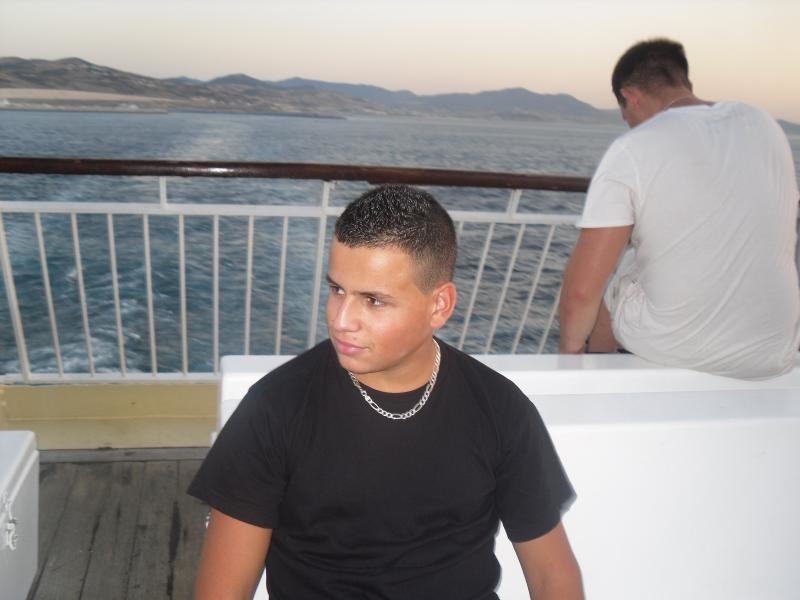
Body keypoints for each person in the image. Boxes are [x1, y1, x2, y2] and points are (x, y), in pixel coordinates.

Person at [189, 184, 583, 599]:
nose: (341, 320)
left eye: (373, 301)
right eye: (337, 289)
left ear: (439, 306)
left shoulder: (500, 409)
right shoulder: (275, 410)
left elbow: (551, 576)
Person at [559, 38, 800, 379]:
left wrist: (567, 356)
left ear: (630, 96)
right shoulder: (762, 124)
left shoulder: (634, 147)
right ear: (683, 81)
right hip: (774, 351)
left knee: (614, 276)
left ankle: (594, 378)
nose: (629, 124)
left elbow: (582, 291)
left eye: (626, 115)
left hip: (681, 350)